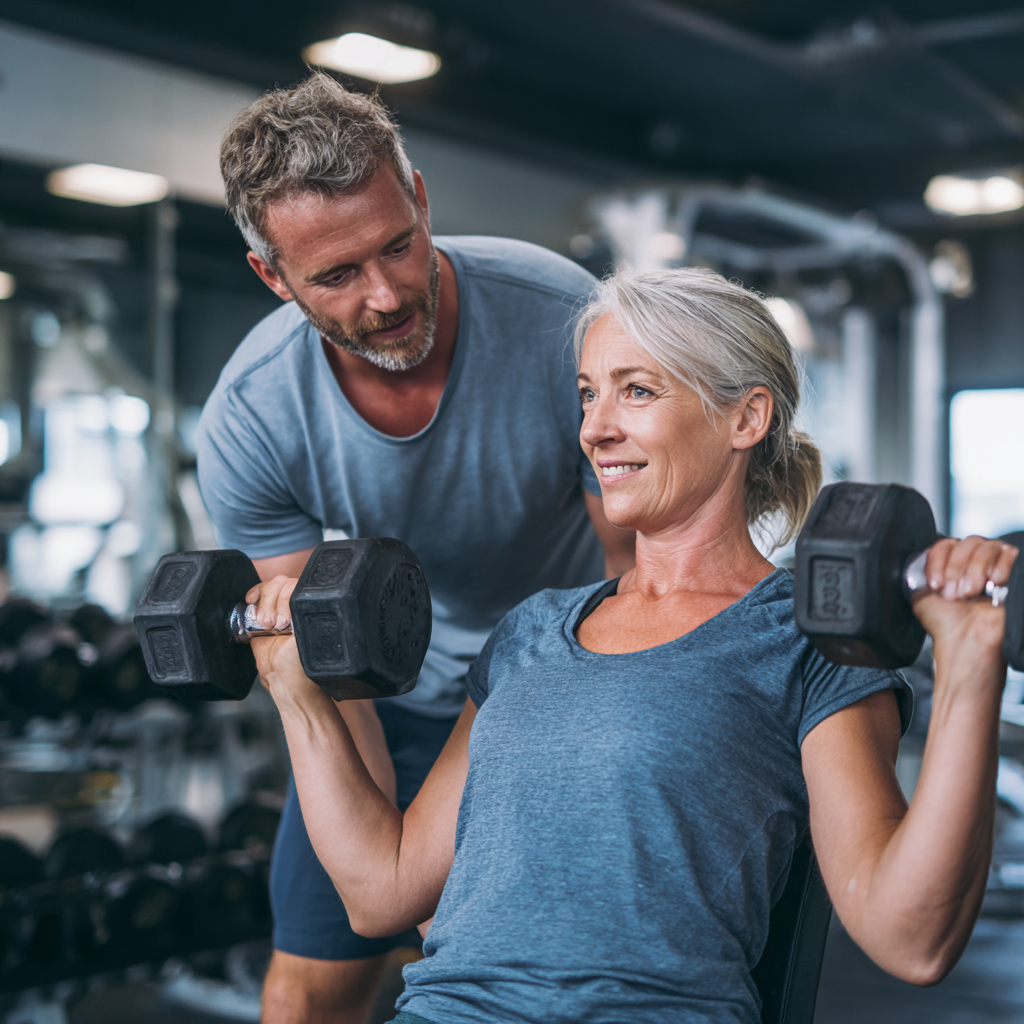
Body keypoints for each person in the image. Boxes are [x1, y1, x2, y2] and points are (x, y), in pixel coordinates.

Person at [247, 267, 1013, 1024]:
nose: (594, 429)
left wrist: (969, 666)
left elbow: (912, 939)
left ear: (747, 418)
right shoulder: (529, 631)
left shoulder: (808, 642)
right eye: (588, 394)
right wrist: (297, 694)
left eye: (637, 391)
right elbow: (380, 893)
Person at [198, 73, 635, 1023]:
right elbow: (320, 651)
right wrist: (385, 845)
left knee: (536, 986)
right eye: (336, 275)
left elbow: (633, 560)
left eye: (397, 244)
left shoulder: (563, 318)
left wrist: (588, 745)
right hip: (383, 697)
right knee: (307, 995)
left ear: (421, 198)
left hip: (559, 683)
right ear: (273, 276)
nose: (387, 294)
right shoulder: (253, 415)